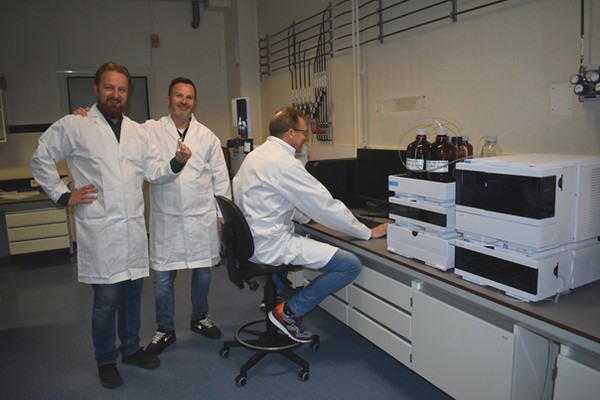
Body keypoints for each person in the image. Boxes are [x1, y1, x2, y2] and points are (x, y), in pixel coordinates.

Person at [30, 62, 192, 389]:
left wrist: (177, 162)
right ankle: (105, 359)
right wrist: (64, 195)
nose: (115, 94)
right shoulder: (76, 125)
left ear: (127, 93)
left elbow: (154, 172)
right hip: (100, 231)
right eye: (109, 88)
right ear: (97, 89)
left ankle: (130, 349)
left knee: (132, 296)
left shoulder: (136, 131)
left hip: (132, 231)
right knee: (105, 302)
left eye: (121, 89)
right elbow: (41, 157)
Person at [232, 106, 388, 343]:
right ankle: (289, 312)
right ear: (291, 133)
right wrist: (366, 232)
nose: (306, 138)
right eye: (304, 132)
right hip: (270, 244)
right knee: (350, 265)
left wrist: (306, 218)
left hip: (251, 241)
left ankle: (275, 299)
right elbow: (324, 205)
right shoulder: (284, 163)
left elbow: (277, 198)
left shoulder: (256, 155)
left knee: (307, 237)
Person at [143, 77, 231, 355]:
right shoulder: (150, 130)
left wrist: (222, 212)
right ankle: (165, 329)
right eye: (178, 96)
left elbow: (220, 176)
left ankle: (199, 318)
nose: (184, 101)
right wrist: (87, 117)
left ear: (194, 102)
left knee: (202, 272)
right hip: (166, 217)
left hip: (199, 216)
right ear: (168, 99)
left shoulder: (207, 136)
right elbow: (119, 128)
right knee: (163, 279)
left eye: (189, 97)